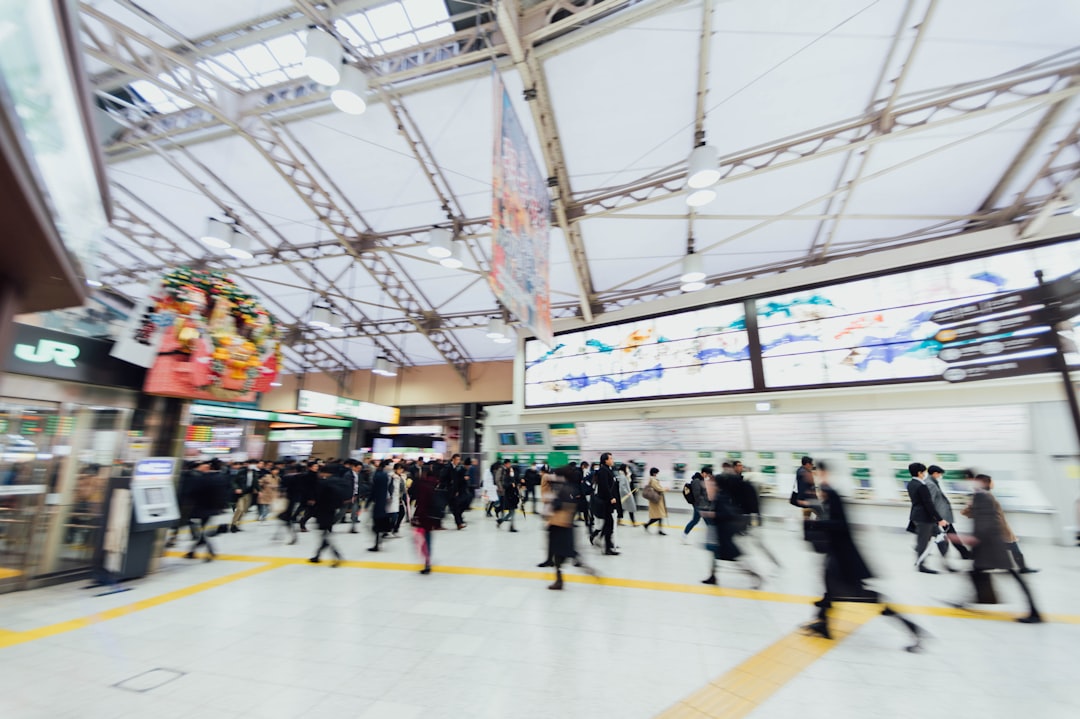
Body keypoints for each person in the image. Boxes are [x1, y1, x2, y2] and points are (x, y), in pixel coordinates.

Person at [801, 461, 926, 651]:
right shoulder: (828, 494)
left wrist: (816, 524)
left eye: (816, 473)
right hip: (837, 558)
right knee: (829, 591)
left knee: (871, 599)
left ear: (823, 473)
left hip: (845, 561)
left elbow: (841, 525)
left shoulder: (833, 495)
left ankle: (914, 629)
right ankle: (823, 625)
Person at [956, 473, 1043, 622]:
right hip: (991, 542)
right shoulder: (982, 496)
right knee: (976, 572)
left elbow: (987, 521)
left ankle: (1034, 612)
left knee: (1009, 573)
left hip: (992, 543)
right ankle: (966, 601)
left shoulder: (982, 496)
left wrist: (973, 537)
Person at [700, 465, 761, 588]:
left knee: (737, 560)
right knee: (718, 557)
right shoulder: (719, 497)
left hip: (725, 536)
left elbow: (727, 514)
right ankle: (713, 576)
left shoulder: (721, 497)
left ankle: (755, 575)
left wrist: (712, 514)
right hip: (721, 535)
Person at [545, 466, 595, 589]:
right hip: (566, 526)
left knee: (560, 554)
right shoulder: (570, 487)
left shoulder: (563, 489)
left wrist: (551, 502)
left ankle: (560, 580)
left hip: (560, 527)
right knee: (567, 553)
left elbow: (558, 505)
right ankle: (563, 577)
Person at [906, 462, 948, 573]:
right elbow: (928, 504)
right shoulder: (921, 486)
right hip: (924, 518)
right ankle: (921, 565)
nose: (925, 474)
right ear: (919, 472)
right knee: (923, 543)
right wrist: (940, 519)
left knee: (940, 538)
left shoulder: (911, 484)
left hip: (920, 517)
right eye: (923, 472)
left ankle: (945, 562)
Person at [925, 465, 971, 566]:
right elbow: (930, 501)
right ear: (935, 473)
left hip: (939, 513)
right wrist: (936, 516)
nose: (940, 476)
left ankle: (920, 547)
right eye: (940, 474)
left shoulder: (932, 482)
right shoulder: (931, 484)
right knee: (951, 533)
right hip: (940, 514)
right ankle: (963, 553)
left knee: (933, 533)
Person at [185, 460, 228, 561]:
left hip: (201, 509)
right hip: (214, 509)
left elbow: (192, 493)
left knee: (202, 532)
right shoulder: (222, 478)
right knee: (203, 531)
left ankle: (210, 552)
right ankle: (193, 551)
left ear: (209, 467)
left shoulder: (203, 478)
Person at [309, 465, 351, 566]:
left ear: (323, 473)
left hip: (322, 511)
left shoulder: (323, 483)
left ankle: (337, 556)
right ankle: (317, 555)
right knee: (325, 534)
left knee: (325, 535)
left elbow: (317, 497)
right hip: (332, 511)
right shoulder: (340, 481)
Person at [411, 463, 441, 574]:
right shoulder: (434, 483)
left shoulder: (423, 484)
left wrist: (417, 516)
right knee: (427, 538)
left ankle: (427, 563)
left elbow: (422, 502)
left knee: (422, 540)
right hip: (432, 515)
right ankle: (427, 561)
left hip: (424, 516)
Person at [593, 453, 619, 555]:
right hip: (606, 502)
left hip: (608, 502)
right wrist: (611, 497)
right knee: (609, 523)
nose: (613, 460)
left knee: (609, 523)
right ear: (605, 460)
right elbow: (604, 486)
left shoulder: (607, 469)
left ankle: (605, 542)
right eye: (611, 458)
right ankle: (606, 546)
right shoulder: (603, 470)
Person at [229, 460, 262, 532]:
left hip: (249, 494)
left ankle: (237, 524)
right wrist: (236, 488)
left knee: (244, 511)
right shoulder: (240, 472)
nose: (253, 465)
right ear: (247, 464)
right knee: (240, 509)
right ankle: (233, 525)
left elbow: (255, 483)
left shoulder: (254, 473)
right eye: (251, 464)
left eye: (255, 464)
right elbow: (233, 481)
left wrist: (259, 491)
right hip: (241, 494)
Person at [368, 459, 392, 552]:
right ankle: (378, 541)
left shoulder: (380, 475)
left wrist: (369, 502)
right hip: (382, 502)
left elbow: (374, 490)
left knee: (377, 523)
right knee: (379, 522)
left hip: (380, 503)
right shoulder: (383, 475)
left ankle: (377, 543)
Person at [681, 471, 706, 544]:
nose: (707, 476)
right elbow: (697, 494)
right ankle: (684, 536)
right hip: (699, 505)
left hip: (699, 505)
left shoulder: (699, 480)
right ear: (703, 473)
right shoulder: (697, 481)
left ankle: (684, 535)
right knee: (707, 521)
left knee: (695, 520)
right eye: (706, 474)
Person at [496, 459, 520, 532]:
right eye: (509, 464)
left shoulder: (511, 475)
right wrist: (510, 485)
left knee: (511, 512)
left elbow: (514, 483)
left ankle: (501, 520)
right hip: (508, 494)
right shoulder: (505, 473)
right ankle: (511, 526)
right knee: (511, 511)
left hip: (512, 495)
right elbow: (503, 483)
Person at [642, 467, 667, 535]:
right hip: (656, 500)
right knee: (658, 515)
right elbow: (658, 488)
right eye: (657, 473)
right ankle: (648, 525)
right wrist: (665, 489)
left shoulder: (652, 479)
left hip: (656, 499)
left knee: (659, 515)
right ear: (654, 473)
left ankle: (657, 529)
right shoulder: (653, 480)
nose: (657, 474)